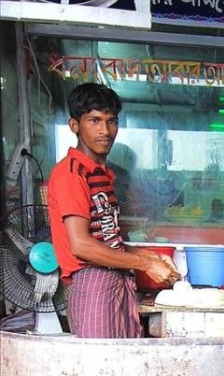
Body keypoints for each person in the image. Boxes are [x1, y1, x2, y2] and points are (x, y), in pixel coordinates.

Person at [48, 83, 180, 337]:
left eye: (112, 121)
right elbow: (82, 245)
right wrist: (145, 264)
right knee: (101, 360)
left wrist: (151, 256)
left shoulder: (102, 174)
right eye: (94, 121)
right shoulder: (72, 173)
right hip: (92, 284)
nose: (105, 130)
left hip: (116, 280)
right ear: (74, 125)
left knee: (123, 358)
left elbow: (108, 242)